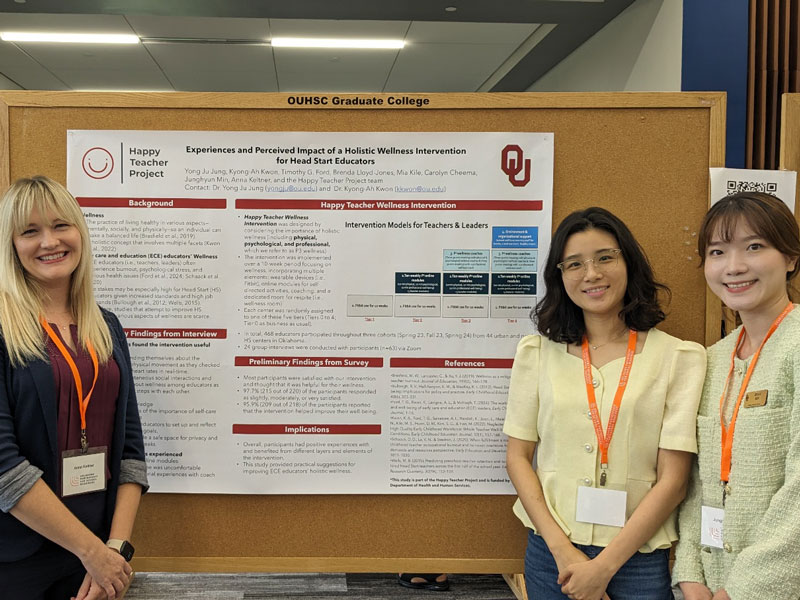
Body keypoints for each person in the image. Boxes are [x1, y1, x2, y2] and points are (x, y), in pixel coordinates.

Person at [504, 207, 706, 600]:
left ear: (628, 262)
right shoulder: (537, 353)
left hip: (637, 558)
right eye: (574, 264)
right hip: (551, 554)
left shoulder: (678, 358)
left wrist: (604, 567)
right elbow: (518, 456)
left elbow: (674, 480)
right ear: (560, 277)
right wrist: (563, 552)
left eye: (605, 258)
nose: (591, 274)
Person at [0, 176, 148, 599]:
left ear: (79, 232)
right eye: (30, 231)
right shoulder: (2, 328)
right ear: (12, 245)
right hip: (17, 562)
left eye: (60, 225)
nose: (49, 241)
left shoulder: (107, 327)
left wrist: (115, 551)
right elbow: (3, 467)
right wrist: (93, 554)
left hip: (97, 557)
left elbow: (131, 452)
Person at [672, 192, 800, 600]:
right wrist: (690, 575)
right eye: (717, 251)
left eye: (755, 246)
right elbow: (697, 482)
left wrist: (740, 590)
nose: (734, 266)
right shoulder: (712, 359)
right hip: (708, 583)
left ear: (791, 258)